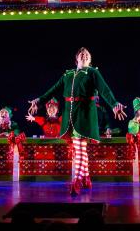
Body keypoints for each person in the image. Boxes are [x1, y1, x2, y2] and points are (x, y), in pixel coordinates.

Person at [29, 47, 126, 196]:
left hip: (85, 114)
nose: (84, 54)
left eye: (87, 53)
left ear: (90, 59)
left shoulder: (93, 72)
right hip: (70, 115)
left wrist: (114, 104)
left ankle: (77, 180)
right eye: (81, 53)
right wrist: (40, 100)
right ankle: (86, 177)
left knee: (80, 148)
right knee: (81, 149)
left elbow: (105, 90)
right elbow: (53, 89)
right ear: (76, 59)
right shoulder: (68, 74)